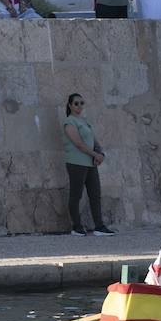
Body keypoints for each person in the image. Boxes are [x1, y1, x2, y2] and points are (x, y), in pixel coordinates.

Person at [61, 93, 115, 235]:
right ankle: (76, 226)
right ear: (70, 105)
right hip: (76, 163)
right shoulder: (69, 122)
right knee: (76, 195)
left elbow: (93, 140)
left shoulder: (84, 121)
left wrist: (100, 153)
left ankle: (99, 226)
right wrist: (95, 155)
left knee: (95, 194)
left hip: (90, 163)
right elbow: (78, 144)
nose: (79, 106)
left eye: (81, 103)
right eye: (76, 103)